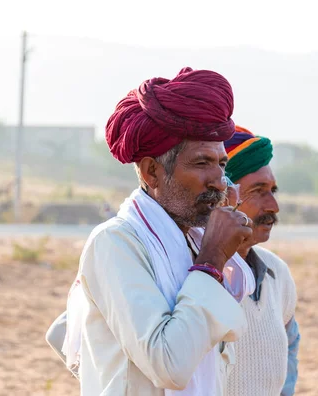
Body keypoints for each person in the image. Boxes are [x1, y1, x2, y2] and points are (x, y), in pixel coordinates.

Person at [59, 67, 257, 396]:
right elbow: (169, 365)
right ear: (152, 171)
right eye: (201, 163)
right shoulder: (116, 243)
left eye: (221, 164)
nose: (219, 180)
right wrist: (212, 258)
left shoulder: (192, 238)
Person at [223, 126, 300, 396]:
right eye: (258, 191)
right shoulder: (198, 273)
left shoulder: (276, 272)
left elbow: (290, 346)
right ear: (223, 196)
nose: (273, 206)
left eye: (273, 190)